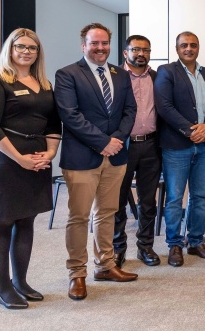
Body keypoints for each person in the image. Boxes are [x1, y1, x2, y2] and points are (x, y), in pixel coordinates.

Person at [0, 29, 61, 309]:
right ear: (10, 49)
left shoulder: (43, 83)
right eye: (21, 46)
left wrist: (49, 153)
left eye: (33, 48)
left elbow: (52, 124)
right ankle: (2, 287)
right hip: (4, 162)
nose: (27, 52)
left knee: (26, 220)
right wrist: (20, 159)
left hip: (37, 161)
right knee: (2, 222)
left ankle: (20, 282)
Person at [55, 23, 138, 301]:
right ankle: (76, 274)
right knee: (78, 217)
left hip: (116, 156)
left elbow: (130, 110)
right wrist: (103, 142)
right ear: (83, 45)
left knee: (107, 213)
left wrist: (116, 140)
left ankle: (105, 266)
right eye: (94, 43)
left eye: (104, 43)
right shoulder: (67, 74)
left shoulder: (120, 74)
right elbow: (70, 115)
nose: (100, 48)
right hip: (82, 157)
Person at [154, 32, 205, 267]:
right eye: (184, 45)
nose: (189, 49)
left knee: (200, 196)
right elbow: (164, 107)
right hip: (177, 145)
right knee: (174, 198)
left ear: (199, 48)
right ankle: (174, 244)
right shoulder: (167, 72)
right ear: (176, 48)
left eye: (193, 45)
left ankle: (195, 241)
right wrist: (190, 130)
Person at [112, 35, 162, 268]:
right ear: (125, 53)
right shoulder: (114, 77)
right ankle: (117, 248)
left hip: (151, 145)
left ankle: (145, 247)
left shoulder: (157, 77)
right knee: (117, 200)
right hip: (123, 146)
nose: (141, 54)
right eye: (136, 49)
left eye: (146, 50)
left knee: (148, 200)